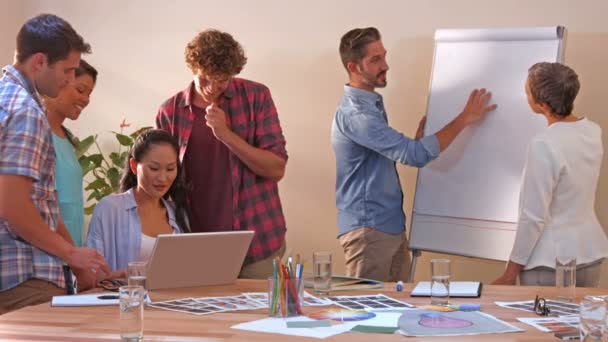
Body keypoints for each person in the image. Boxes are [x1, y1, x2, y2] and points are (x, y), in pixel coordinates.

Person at [332, 27, 497, 282]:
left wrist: (416, 144)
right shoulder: (358, 115)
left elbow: (384, 160)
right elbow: (415, 155)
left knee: (398, 311)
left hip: (388, 226)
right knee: (365, 314)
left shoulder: (371, 105)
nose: (385, 65)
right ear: (353, 67)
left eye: (384, 56)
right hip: (369, 232)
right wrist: (465, 118)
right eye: (375, 60)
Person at [156, 29, 288, 279]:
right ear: (192, 68)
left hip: (257, 241)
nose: (212, 88)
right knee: (204, 318)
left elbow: (276, 168)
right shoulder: (169, 112)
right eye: (206, 78)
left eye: (222, 80)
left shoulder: (256, 97)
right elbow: (162, 184)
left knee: (260, 316)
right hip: (196, 244)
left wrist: (226, 134)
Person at [0, 14, 109, 314]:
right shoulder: (26, 111)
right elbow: (12, 204)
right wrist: (72, 254)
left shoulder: (5, 98)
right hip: (25, 276)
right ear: (39, 62)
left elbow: (42, 202)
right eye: (68, 70)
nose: (69, 80)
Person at [493, 62, 608, 286]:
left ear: (542, 105)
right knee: (581, 321)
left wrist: (509, 273)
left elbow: (533, 216)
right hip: (590, 255)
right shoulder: (593, 131)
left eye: (527, 92)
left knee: (538, 322)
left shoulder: (543, 144)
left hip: (549, 264)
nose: (525, 95)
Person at [86, 129, 190, 275]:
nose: (163, 177)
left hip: (172, 297)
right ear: (134, 166)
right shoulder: (110, 209)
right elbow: (92, 275)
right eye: (154, 168)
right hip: (125, 297)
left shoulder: (178, 214)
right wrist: (128, 274)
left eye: (170, 169)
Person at [43, 59, 98, 247]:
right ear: (59, 82)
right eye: (81, 90)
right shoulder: (39, 135)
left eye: (89, 94)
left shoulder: (67, 139)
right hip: (52, 252)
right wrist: (72, 253)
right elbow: (47, 205)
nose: (86, 99)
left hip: (69, 256)